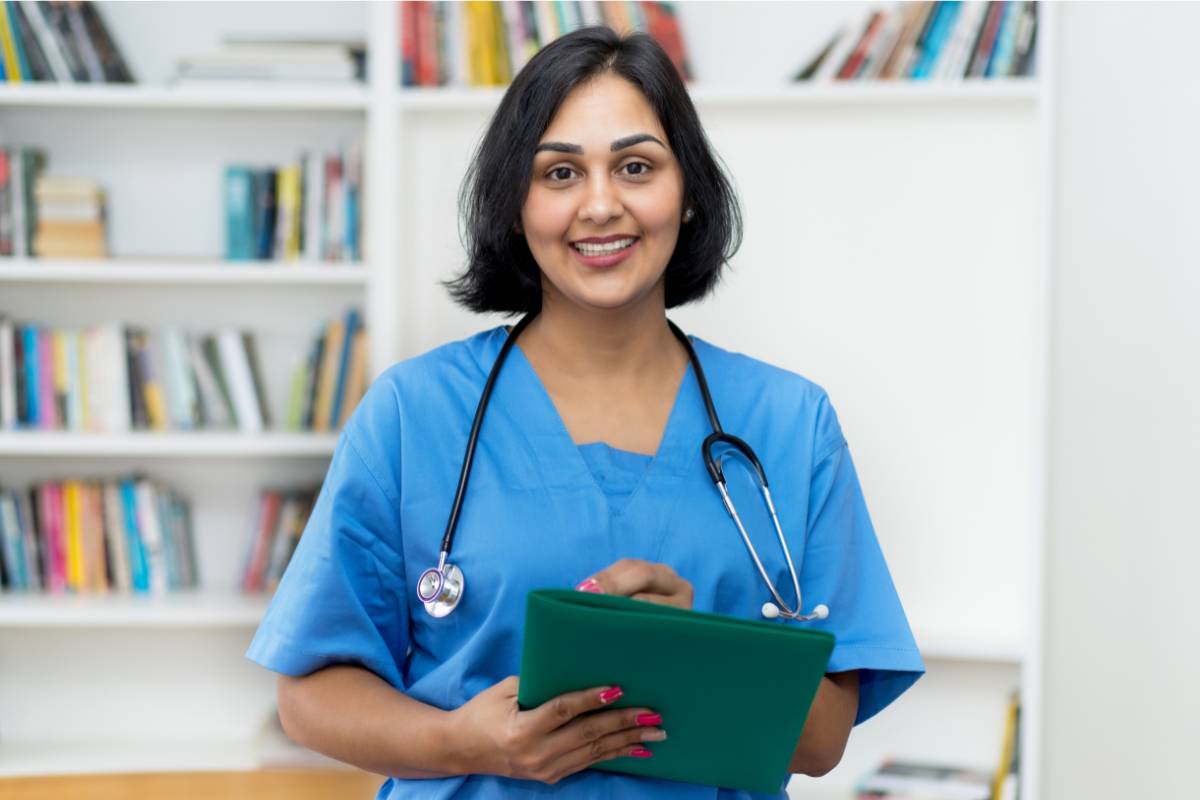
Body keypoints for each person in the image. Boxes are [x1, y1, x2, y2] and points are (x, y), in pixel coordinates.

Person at [246, 25, 924, 800]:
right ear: (513, 205)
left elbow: (822, 741)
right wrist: (461, 739)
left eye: (636, 167)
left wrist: (690, 648)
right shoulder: (413, 414)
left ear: (690, 192)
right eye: (560, 172)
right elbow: (308, 697)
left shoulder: (788, 424)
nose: (600, 206)